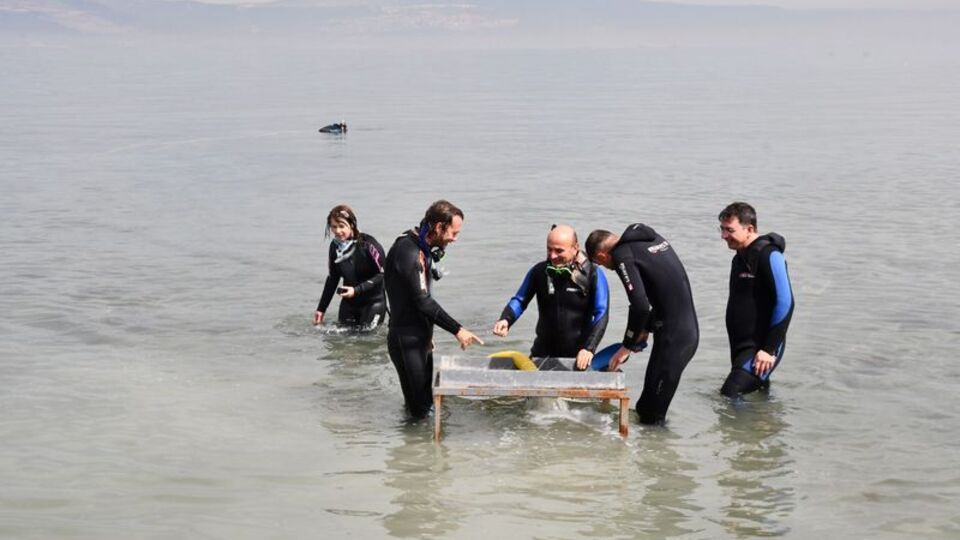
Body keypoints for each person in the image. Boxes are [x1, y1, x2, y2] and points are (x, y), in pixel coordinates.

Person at [585, 224, 699, 425]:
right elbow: (663, 291)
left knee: (651, 415)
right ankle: (652, 453)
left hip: (675, 340)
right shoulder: (647, 239)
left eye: (600, 264)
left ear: (601, 255)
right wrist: (645, 329)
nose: (605, 268)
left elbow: (640, 306)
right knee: (647, 409)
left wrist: (626, 345)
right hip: (683, 331)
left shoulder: (622, 255)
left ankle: (656, 453)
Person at [384, 200, 484, 418]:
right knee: (420, 414)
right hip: (406, 340)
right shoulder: (408, 251)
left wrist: (426, 331)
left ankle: (421, 450)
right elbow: (422, 301)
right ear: (439, 227)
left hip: (419, 338)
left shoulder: (422, 247)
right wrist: (458, 330)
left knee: (425, 406)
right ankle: (415, 450)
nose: (455, 239)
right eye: (453, 233)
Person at [492, 224, 609, 370]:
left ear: (575, 247)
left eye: (559, 251)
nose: (553, 256)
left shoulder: (593, 274)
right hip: (542, 354)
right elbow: (520, 300)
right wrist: (506, 319)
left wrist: (589, 348)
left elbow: (602, 313)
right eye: (549, 249)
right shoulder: (539, 271)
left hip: (578, 358)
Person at [718, 202, 795, 397]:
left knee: (730, 393)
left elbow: (786, 302)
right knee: (757, 394)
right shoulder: (739, 257)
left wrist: (768, 349)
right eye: (722, 229)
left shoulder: (769, 254)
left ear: (749, 228)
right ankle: (764, 426)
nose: (723, 236)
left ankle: (740, 428)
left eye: (729, 230)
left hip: (761, 346)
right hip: (740, 345)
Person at [314, 205, 387, 329]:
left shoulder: (368, 244)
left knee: (365, 341)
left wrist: (356, 290)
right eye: (334, 227)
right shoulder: (335, 247)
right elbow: (332, 279)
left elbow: (383, 274)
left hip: (373, 303)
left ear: (352, 225)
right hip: (349, 305)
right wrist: (321, 309)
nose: (337, 231)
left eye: (341, 226)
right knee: (342, 341)